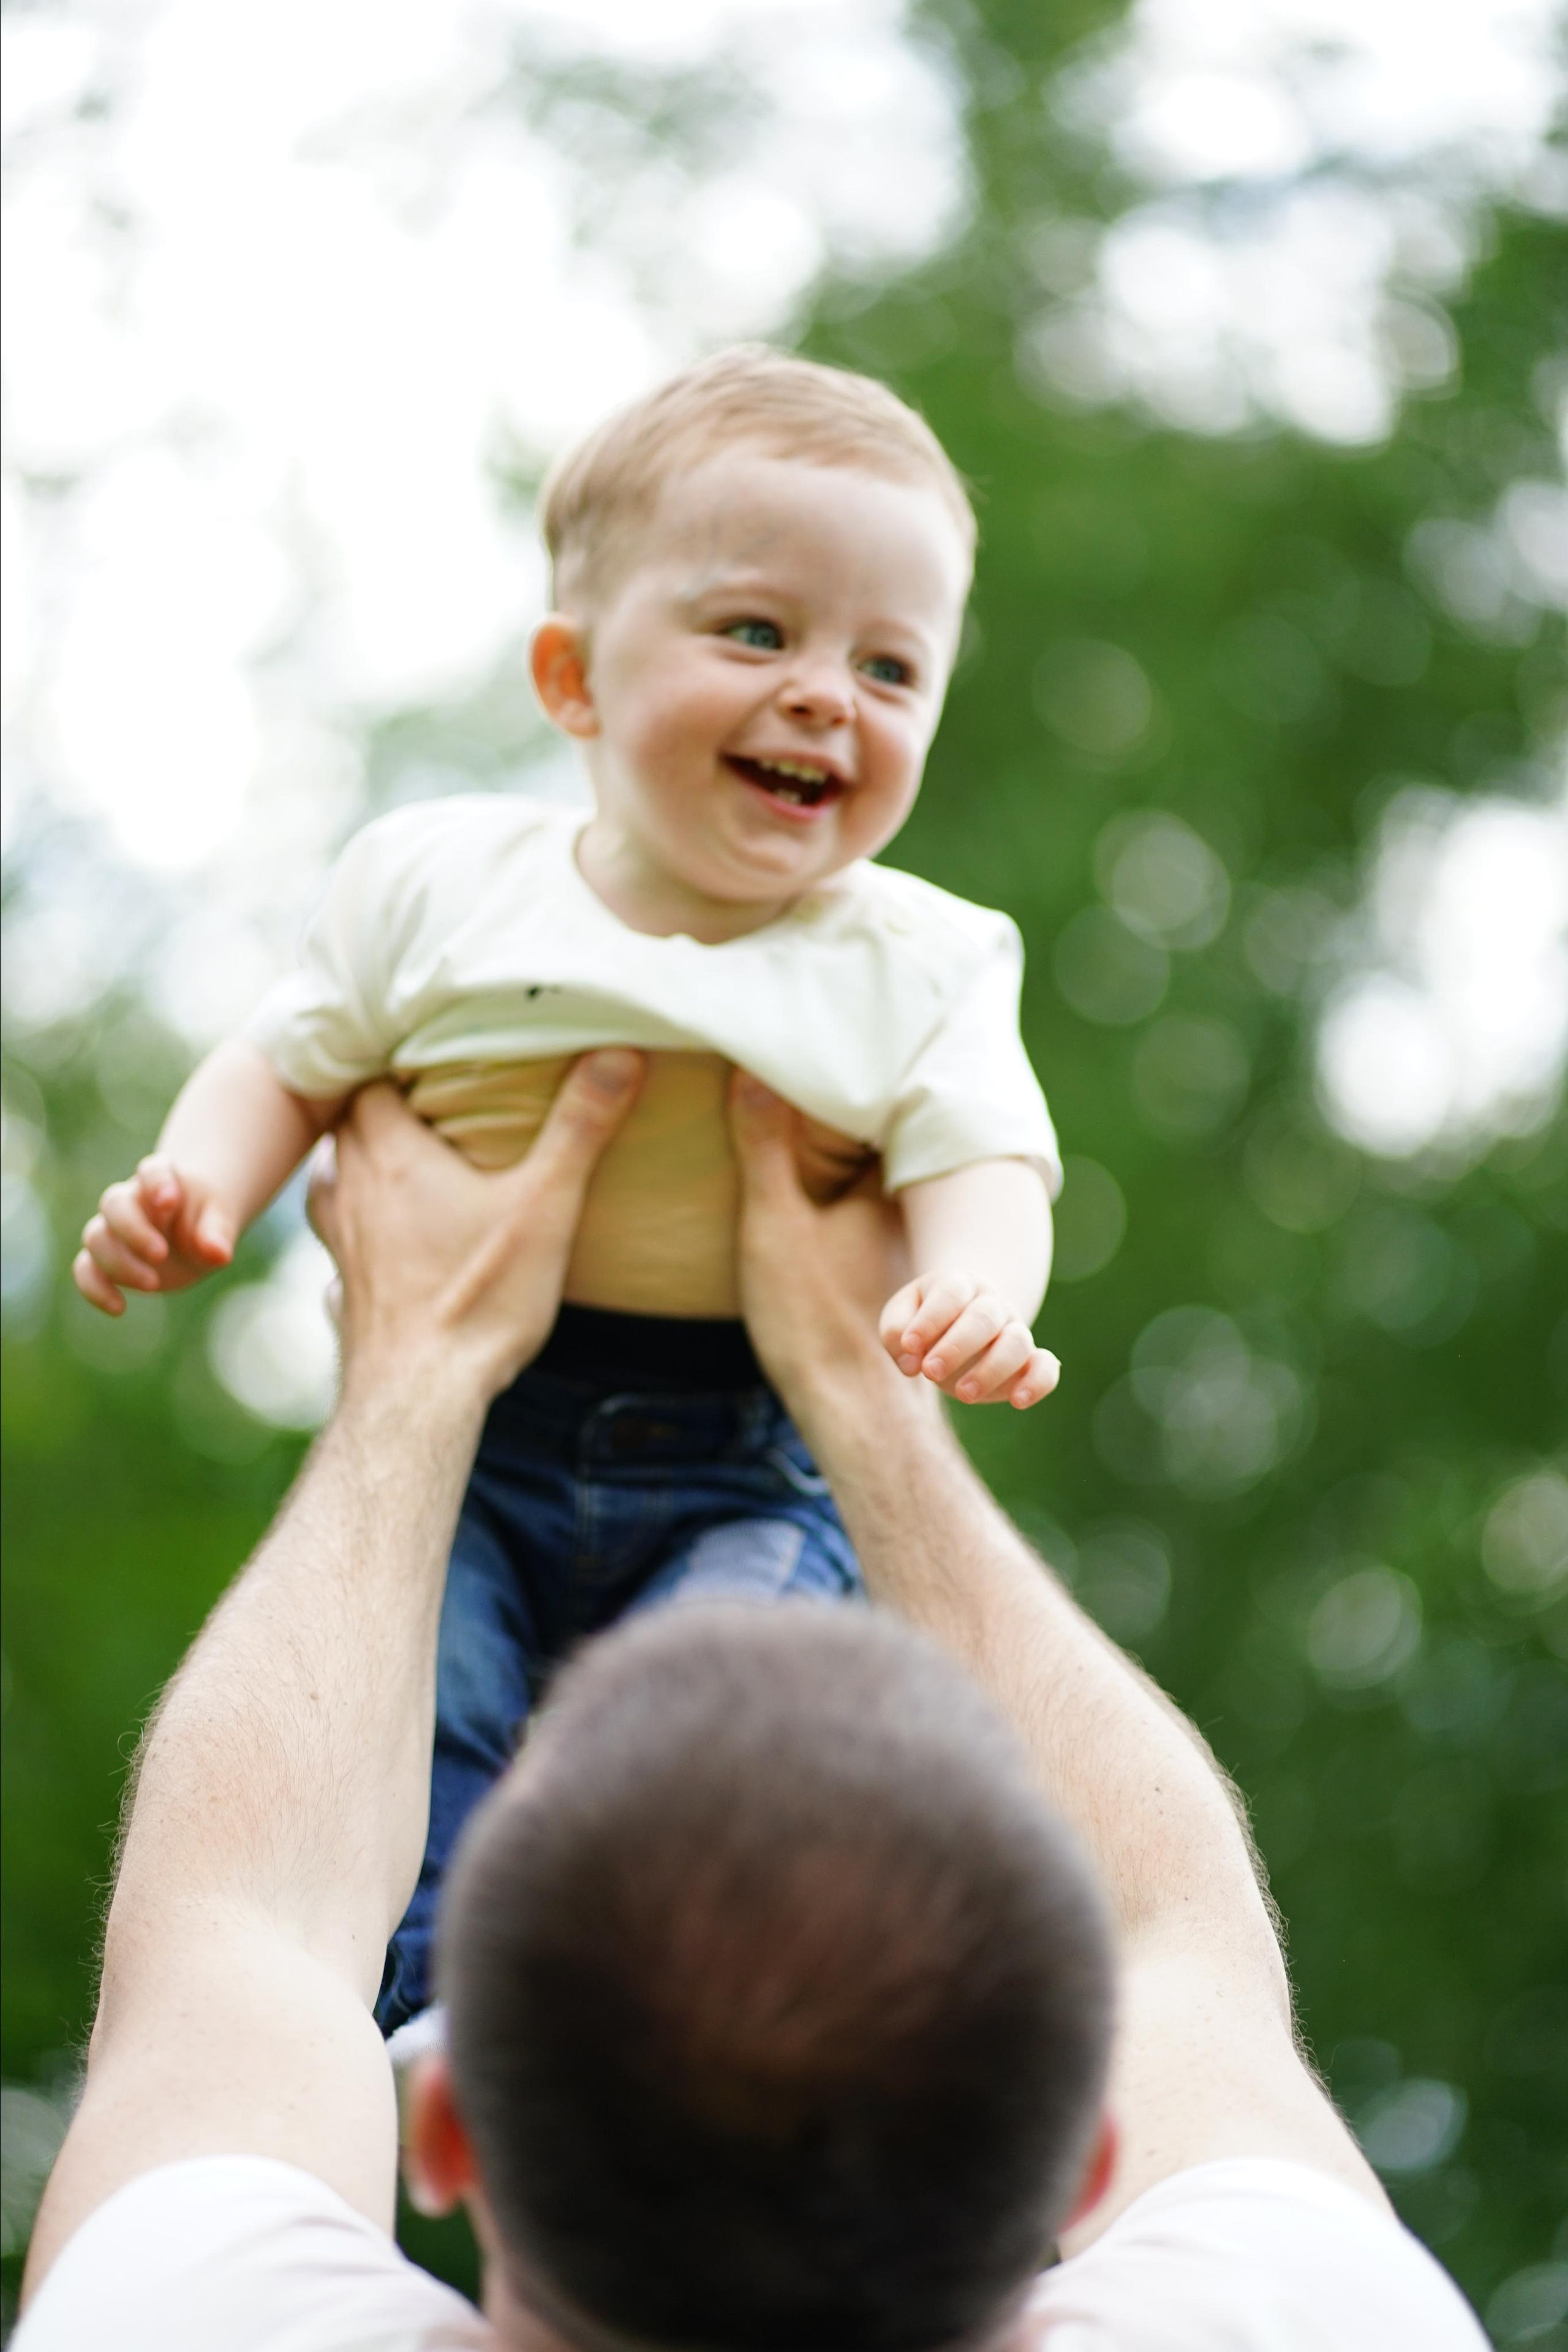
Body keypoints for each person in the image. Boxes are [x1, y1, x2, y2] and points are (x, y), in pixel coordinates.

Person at [21, 1058, 1487, 2350]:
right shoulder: (1314, 2321)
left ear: (447, 2128)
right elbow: (1167, 1931)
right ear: (1081, 2160)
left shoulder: (181, 2318)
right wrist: (866, 1393)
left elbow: (241, 1920)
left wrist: (415, 1365)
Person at [71, 345, 1063, 2032]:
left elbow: (988, 1155)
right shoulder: (438, 884)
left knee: (700, 1726)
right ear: (575, 679)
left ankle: (668, 2020)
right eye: (757, 632)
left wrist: (977, 1292)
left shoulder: (923, 956)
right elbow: (284, 1060)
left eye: (891, 666)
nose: (828, 692)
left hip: (749, 1463)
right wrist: (192, 1185)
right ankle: (435, 2027)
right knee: (420, 1715)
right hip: (475, 1445)